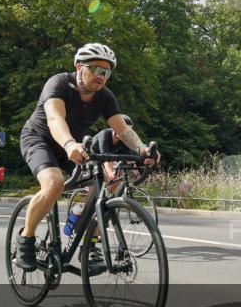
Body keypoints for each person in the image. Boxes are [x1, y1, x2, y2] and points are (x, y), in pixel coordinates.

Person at [16, 43, 159, 271]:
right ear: (78, 67)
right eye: (95, 69)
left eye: (106, 73)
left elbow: (123, 130)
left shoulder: (105, 97)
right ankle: (26, 238)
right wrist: (69, 143)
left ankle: (89, 245)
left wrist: (142, 149)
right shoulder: (59, 83)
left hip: (73, 147)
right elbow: (54, 119)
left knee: (109, 183)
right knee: (54, 184)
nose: (101, 77)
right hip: (40, 139)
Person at [88, 114, 139, 194]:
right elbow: (105, 160)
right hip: (91, 159)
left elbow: (129, 159)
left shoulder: (123, 140)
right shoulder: (104, 135)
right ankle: (81, 204)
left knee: (120, 173)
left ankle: (106, 197)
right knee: (95, 186)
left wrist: (138, 174)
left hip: (105, 159)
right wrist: (111, 173)